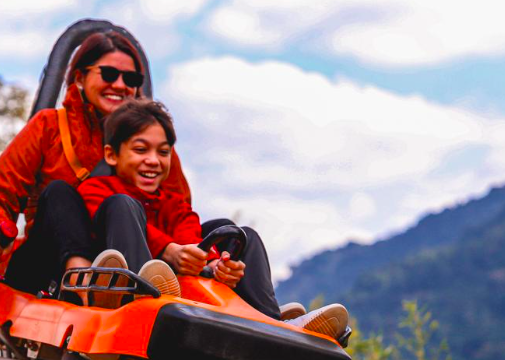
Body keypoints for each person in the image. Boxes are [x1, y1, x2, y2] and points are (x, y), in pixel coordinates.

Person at [78, 98, 350, 341]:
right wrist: (168, 251)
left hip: (180, 292)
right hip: (127, 293)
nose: (153, 161)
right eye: (141, 150)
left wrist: (213, 266)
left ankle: (273, 324)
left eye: (163, 153)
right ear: (112, 154)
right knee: (123, 205)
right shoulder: (97, 190)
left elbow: (191, 238)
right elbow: (107, 214)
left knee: (239, 234)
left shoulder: (173, 203)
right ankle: (147, 292)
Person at [0, 30, 193, 294]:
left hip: (127, 257)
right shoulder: (49, 127)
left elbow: (176, 207)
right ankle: (84, 282)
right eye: (109, 74)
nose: (121, 85)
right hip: (48, 262)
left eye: (131, 79)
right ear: (80, 77)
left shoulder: (155, 147)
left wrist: (188, 253)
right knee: (59, 192)